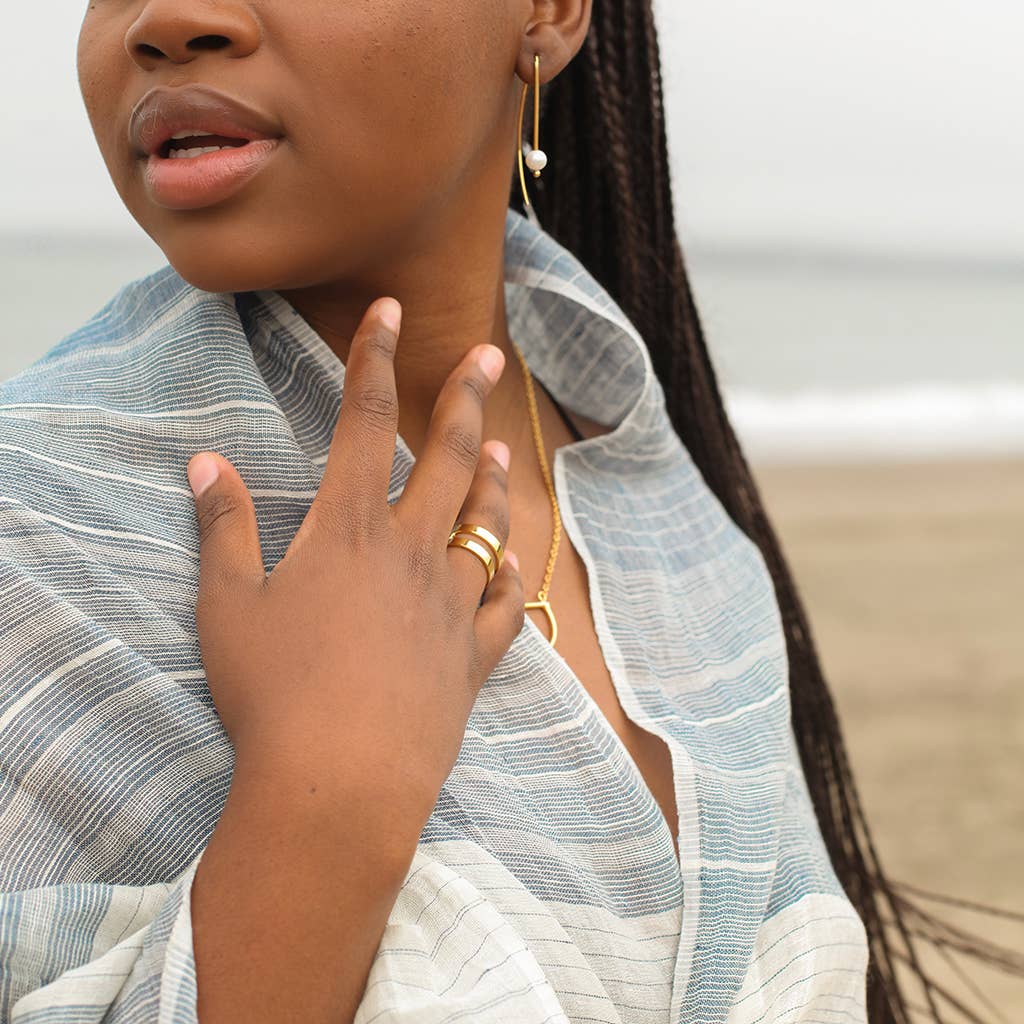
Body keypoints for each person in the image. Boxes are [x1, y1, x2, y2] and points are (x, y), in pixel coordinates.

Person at [1, 2, 1017, 1022]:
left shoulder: (681, 534)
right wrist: (323, 805)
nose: (167, 19)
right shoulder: (36, 532)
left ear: (548, 13)